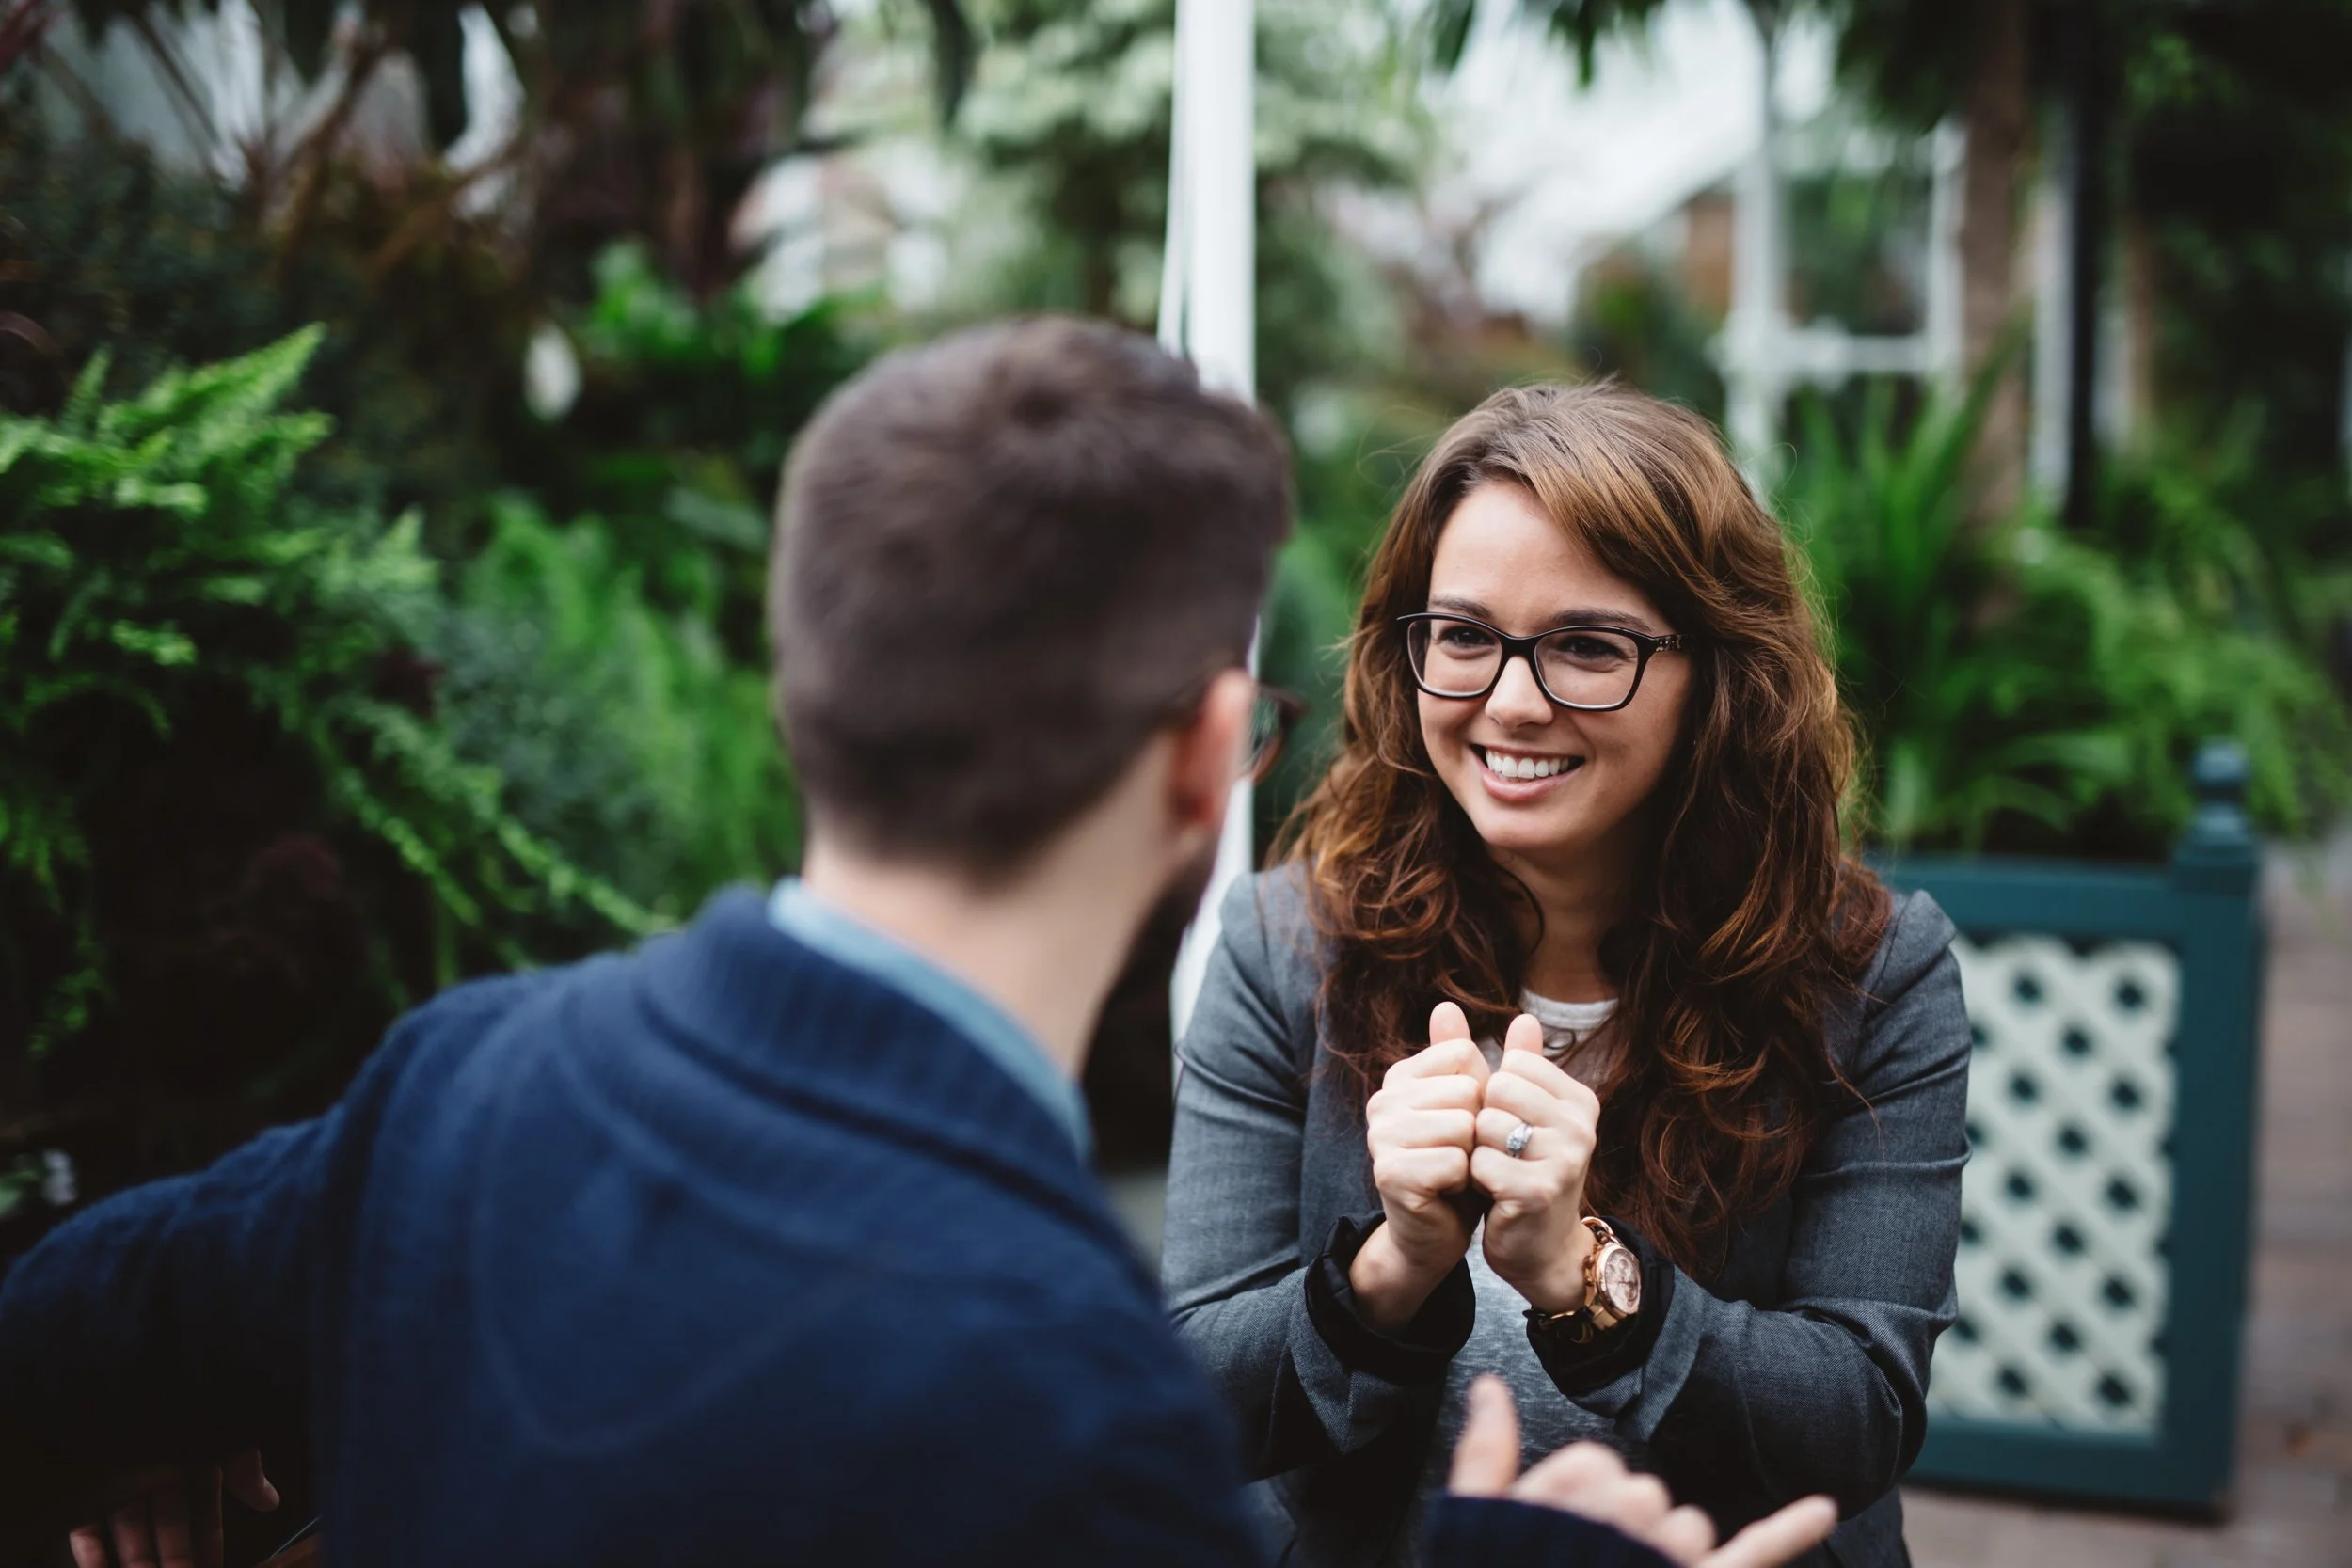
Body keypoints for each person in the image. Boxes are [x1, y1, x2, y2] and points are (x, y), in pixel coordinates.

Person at [0, 323, 1839, 1568]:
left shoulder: (447, 1081)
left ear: (803, 681)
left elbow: (49, 1331)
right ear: (1206, 757)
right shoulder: (1055, 1401)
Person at [1163, 382, 1972, 1568]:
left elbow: (1856, 1419)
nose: (1510, 700)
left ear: (1719, 674)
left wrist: (1587, 1277)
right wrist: (1390, 1267)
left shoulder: (1867, 972)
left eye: (1588, 646)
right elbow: (1192, 1393)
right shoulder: (1293, 945)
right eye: (1465, 635)